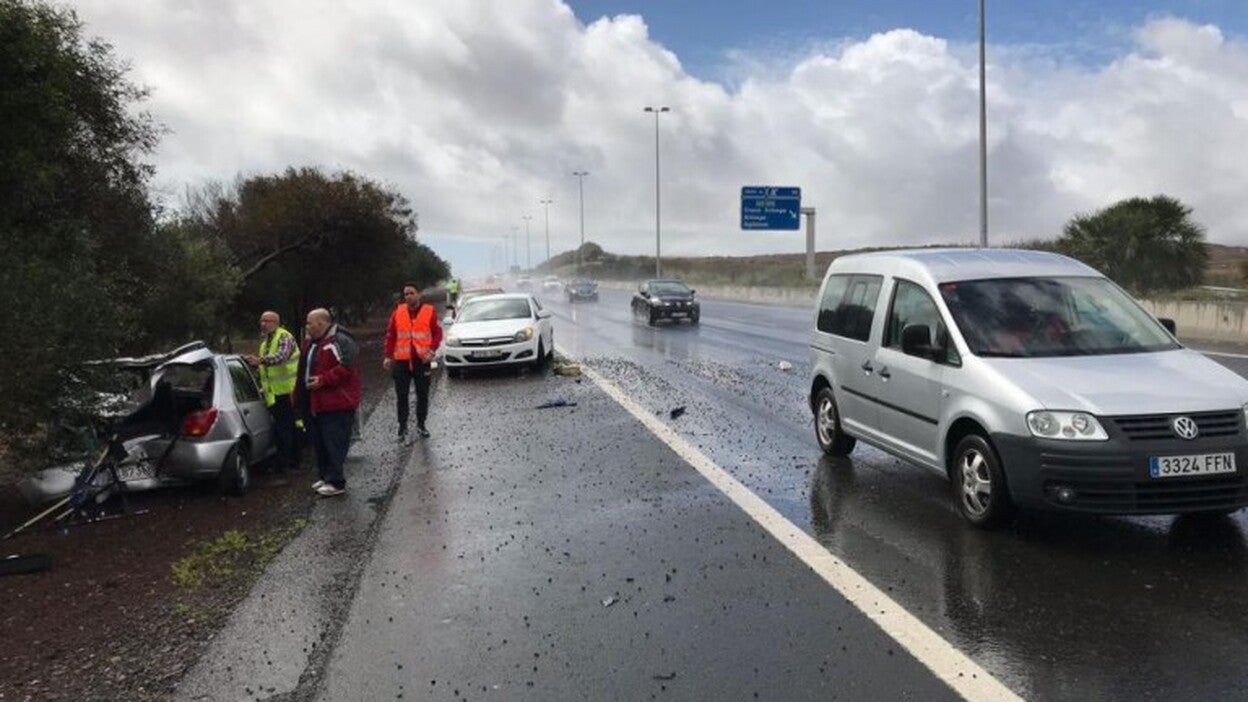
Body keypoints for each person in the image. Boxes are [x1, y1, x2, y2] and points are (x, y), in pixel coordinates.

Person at [295, 308, 361, 497]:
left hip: (337, 402)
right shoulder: (311, 342)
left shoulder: (340, 340)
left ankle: (336, 481)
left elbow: (348, 368)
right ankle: (325, 476)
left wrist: (323, 380)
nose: (307, 326)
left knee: (334, 441)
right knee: (320, 441)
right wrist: (298, 395)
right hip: (314, 401)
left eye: (310, 323)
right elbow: (303, 370)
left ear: (321, 323)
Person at [244, 311, 301, 476]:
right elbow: (266, 369)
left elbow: (281, 358)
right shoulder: (264, 344)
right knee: (282, 429)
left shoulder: (284, 337)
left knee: (288, 429)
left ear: (276, 322)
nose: (263, 324)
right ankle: (284, 463)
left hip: (288, 391)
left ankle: (290, 464)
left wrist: (260, 360)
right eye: (261, 321)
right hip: (273, 394)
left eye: (266, 321)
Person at [383, 283, 442, 442]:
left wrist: (431, 351)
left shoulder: (429, 311)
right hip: (401, 361)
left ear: (418, 294)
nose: (408, 296)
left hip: (422, 360)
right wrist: (388, 356)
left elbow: (437, 333)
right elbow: (391, 335)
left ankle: (421, 424)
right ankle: (402, 427)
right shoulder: (398, 312)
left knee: (422, 394)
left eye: (411, 293)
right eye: (406, 294)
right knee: (401, 395)